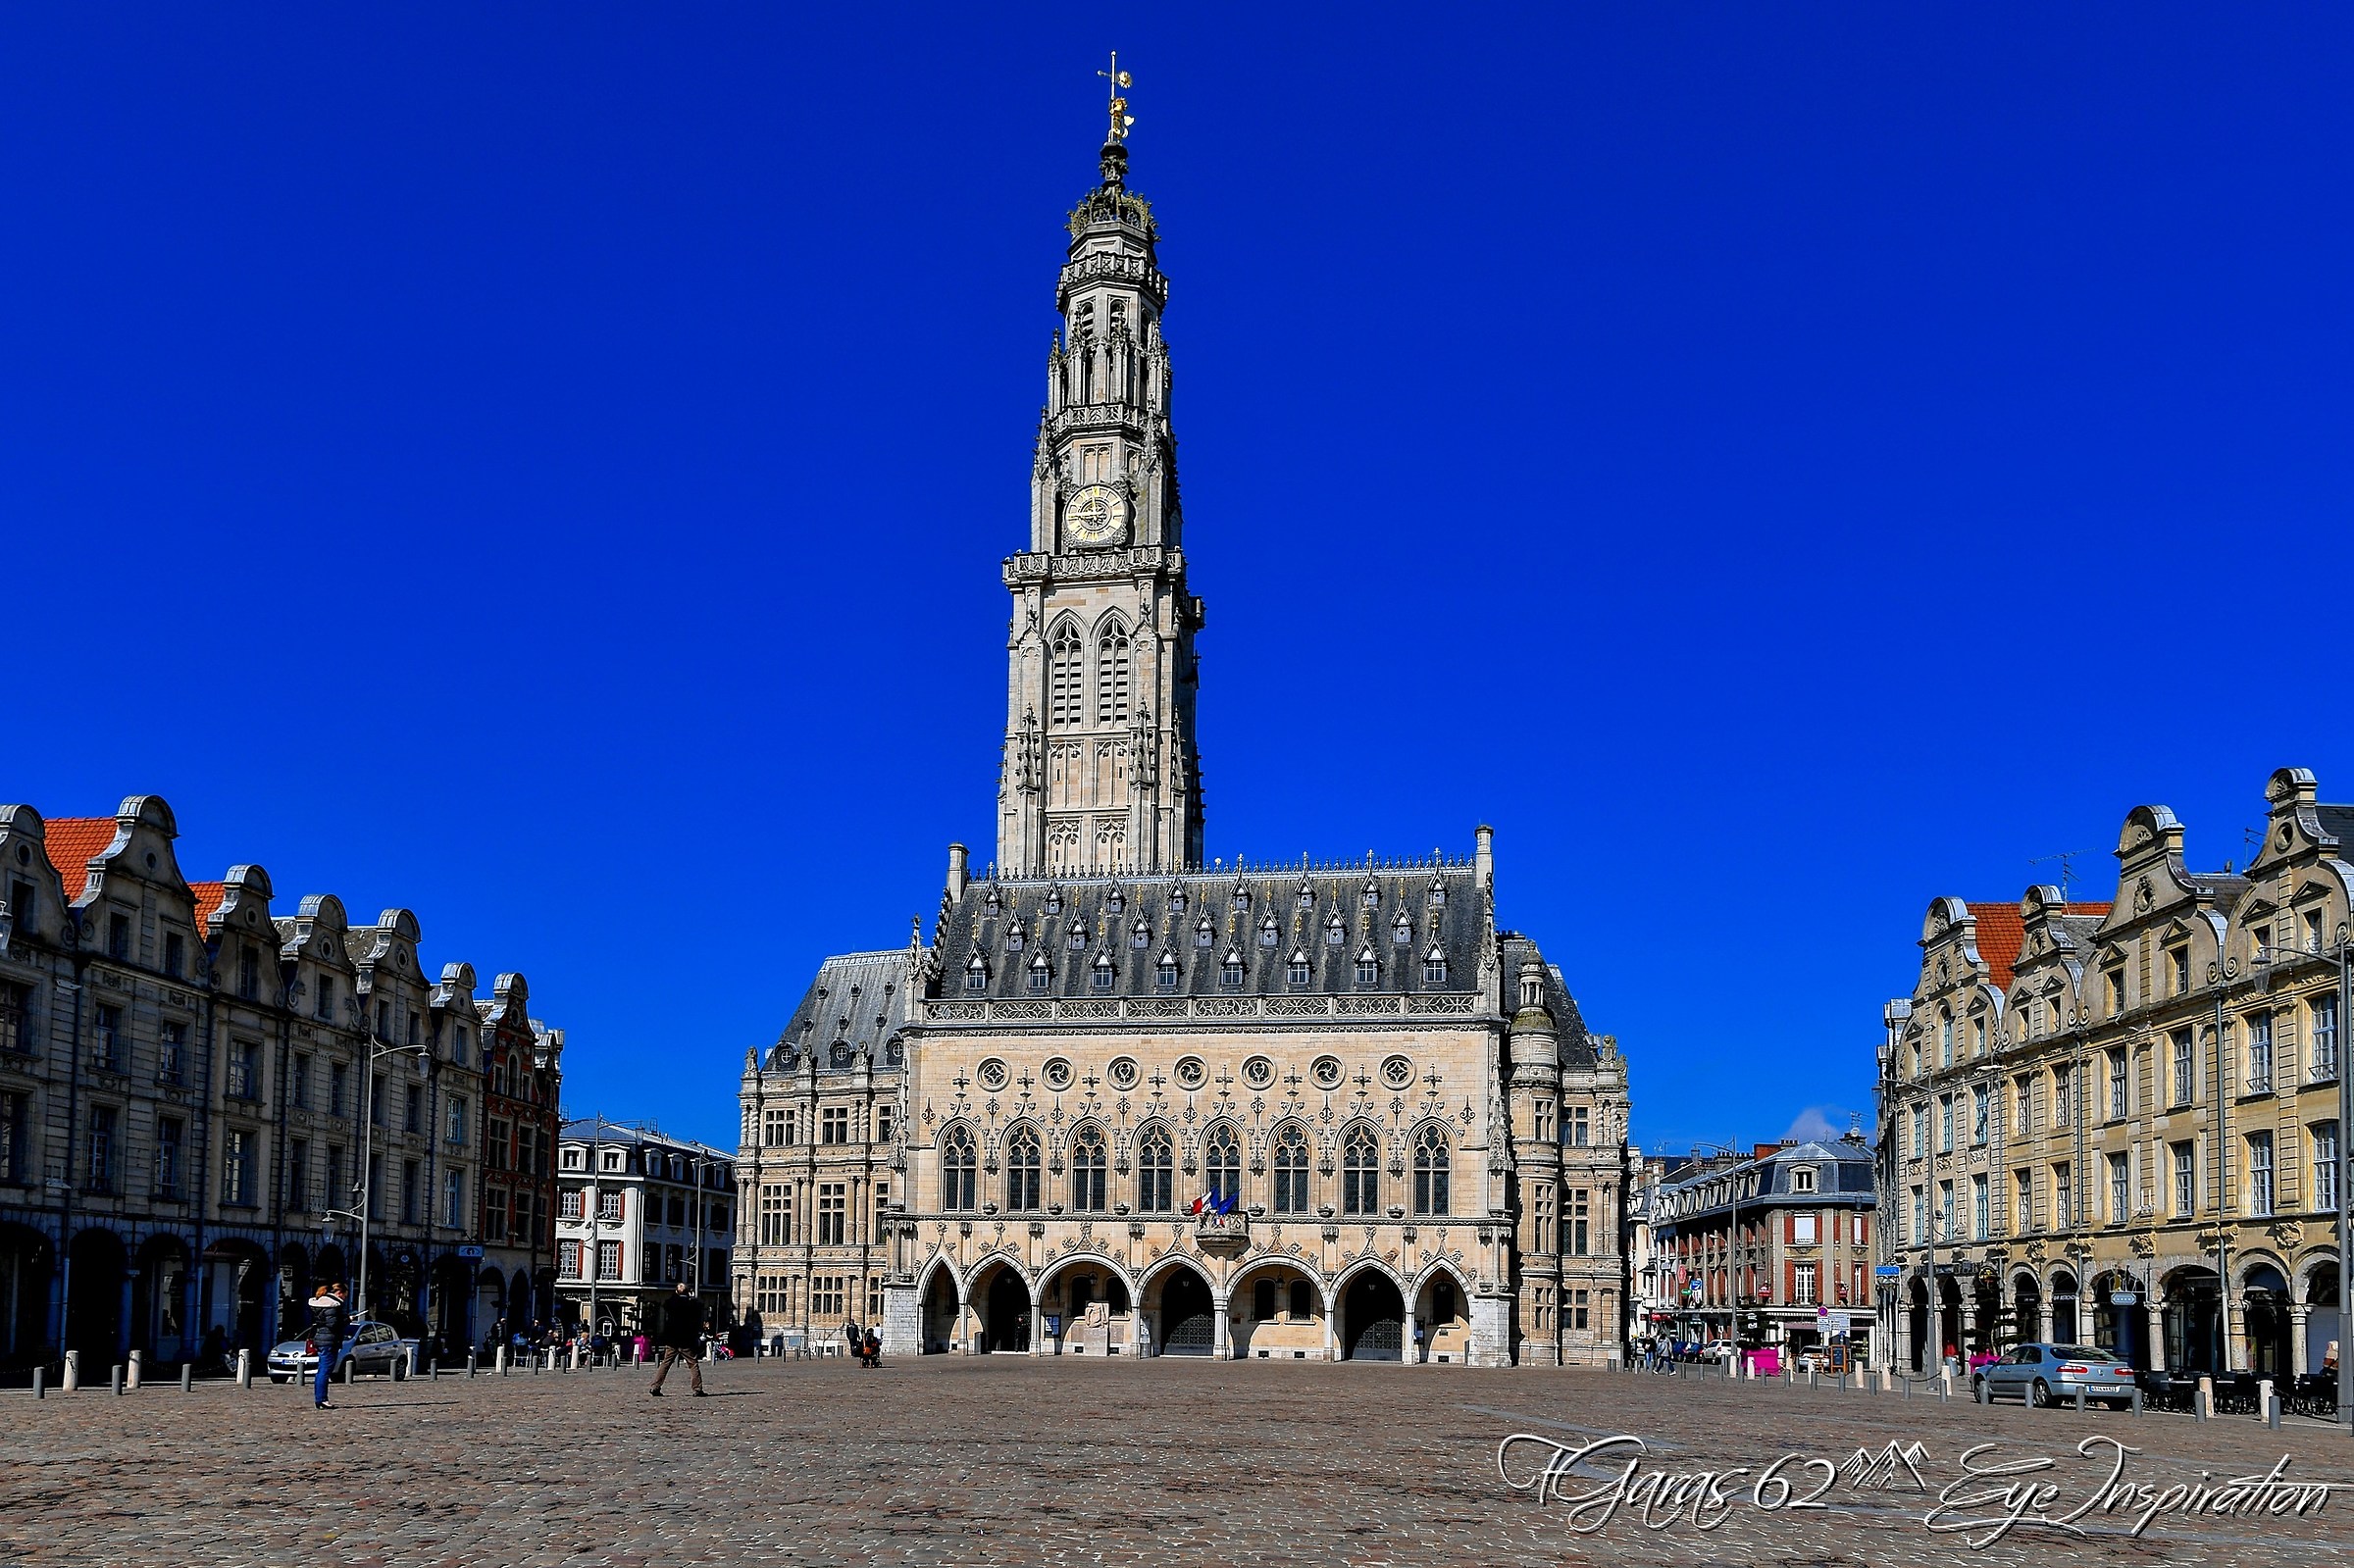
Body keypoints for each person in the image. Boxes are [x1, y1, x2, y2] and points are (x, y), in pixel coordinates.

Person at [648, 1280, 706, 1396]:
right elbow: (699, 1308)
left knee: (665, 1364)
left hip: (672, 1340)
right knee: (693, 1364)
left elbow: (667, 1303)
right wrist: (690, 1297)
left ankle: (655, 1387)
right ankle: (697, 1389)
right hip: (686, 1340)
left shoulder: (672, 1303)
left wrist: (676, 1294)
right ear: (688, 1292)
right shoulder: (692, 1304)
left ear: (676, 1291)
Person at [307, 1282, 349, 1410]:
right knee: (325, 1370)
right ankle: (322, 1399)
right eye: (345, 1296)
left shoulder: (319, 1303)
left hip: (320, 1338)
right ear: (339, 1293)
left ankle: (320, 1398)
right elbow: (333, 1324)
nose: (344, 1299)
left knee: (322, 1370)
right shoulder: (332, 1305)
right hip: (329, 1341)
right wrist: (348, 1320)